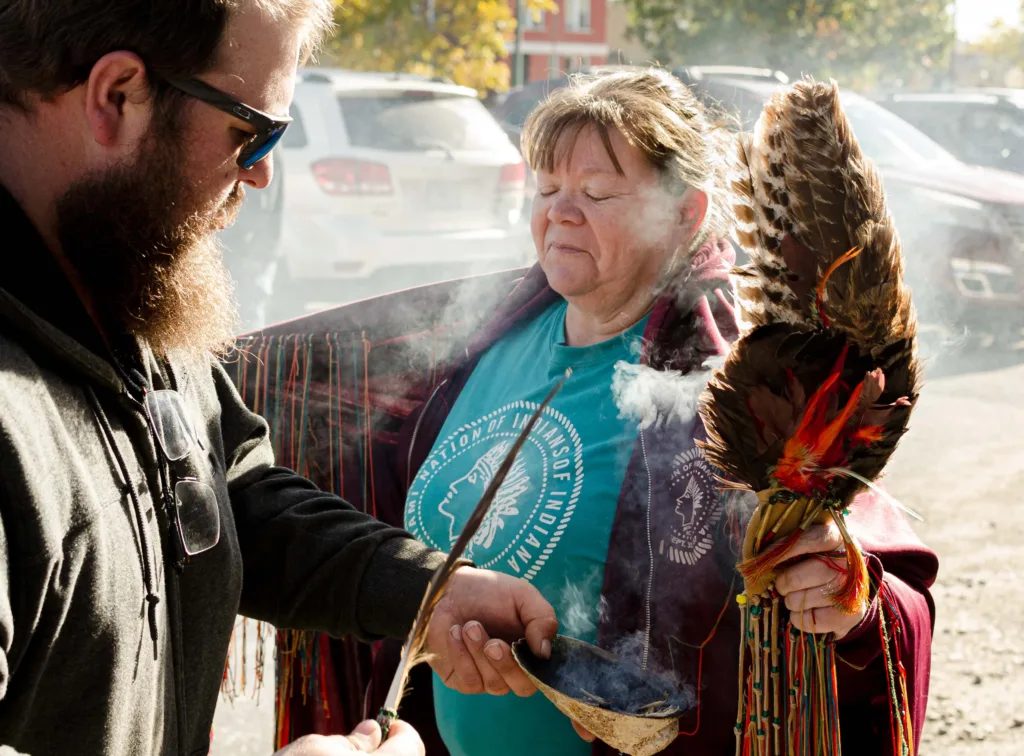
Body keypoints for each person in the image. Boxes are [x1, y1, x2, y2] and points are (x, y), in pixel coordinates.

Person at [0, 2, 559, 755]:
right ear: (120, 96)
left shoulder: (113, 267)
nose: (261, 173)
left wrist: (424, 591)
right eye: (252, 132)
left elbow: (226, 493)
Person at [340, 69, 937, 755]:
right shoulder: (489, 337)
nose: (560, 211)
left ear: (684, 213)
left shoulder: (738, 383)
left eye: (596, 192)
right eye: (547, 188)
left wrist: (850, 600)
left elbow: (872, 580)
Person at [218, 148, 285, 332]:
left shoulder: (269, 150)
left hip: (252, 253)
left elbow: (274, 210)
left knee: (248, 315)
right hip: (230, 247)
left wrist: (264, 252)